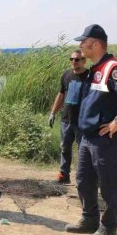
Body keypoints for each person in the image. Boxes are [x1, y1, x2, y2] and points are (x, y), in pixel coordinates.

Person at [64, 24, 117, 235]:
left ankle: (109, 228)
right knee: (83, 180)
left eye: (84, 42)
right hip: (88, 138)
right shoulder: (96, 68)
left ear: (96, 43)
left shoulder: (113, 68)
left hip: (105, 141)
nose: (80, 46)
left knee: (108, 184)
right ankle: (89, 219)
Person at [48, 49, 89, 184]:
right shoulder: (66, 75)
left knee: (83, 150)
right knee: (65, 147)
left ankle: (83, 177)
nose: (73, 62)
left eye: (77, 59)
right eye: (71, 59)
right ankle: (64, 174)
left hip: (82, 121)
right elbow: (60, 95)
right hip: (66, 119)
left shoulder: (90, 76)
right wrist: (53, 113)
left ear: (84, 61)